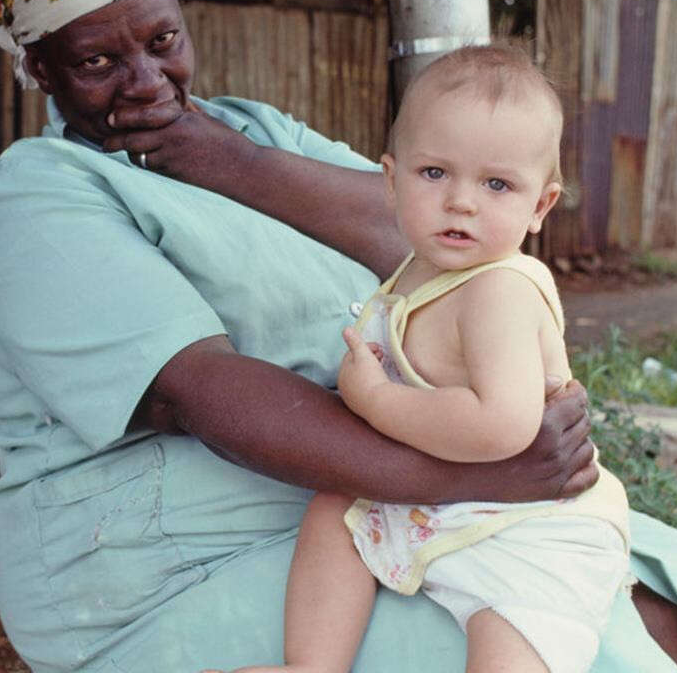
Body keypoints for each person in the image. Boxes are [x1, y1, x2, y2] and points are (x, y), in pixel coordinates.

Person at [0, 0, 677, 672]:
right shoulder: (40, 193)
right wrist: (481, 470)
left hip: (358, 501)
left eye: (161, 42)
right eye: (98, 60)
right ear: (40, 66)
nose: (144, 81)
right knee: (595, 648)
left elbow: (420, 226)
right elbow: (191, 393)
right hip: (166, 556)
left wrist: (230, 161)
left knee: (674, 606)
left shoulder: (251, 133)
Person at [215, 46, 631, 673]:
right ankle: (311, 663)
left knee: (512, 639)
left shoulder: (500, 291)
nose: (461, 201)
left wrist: (378, 400)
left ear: (540, 207)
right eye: (434, 173)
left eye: (497, 184)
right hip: (442, 495)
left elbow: (503, 427)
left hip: (529, 528)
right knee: (335, 511)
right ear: (390, 179)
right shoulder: (417, 271)